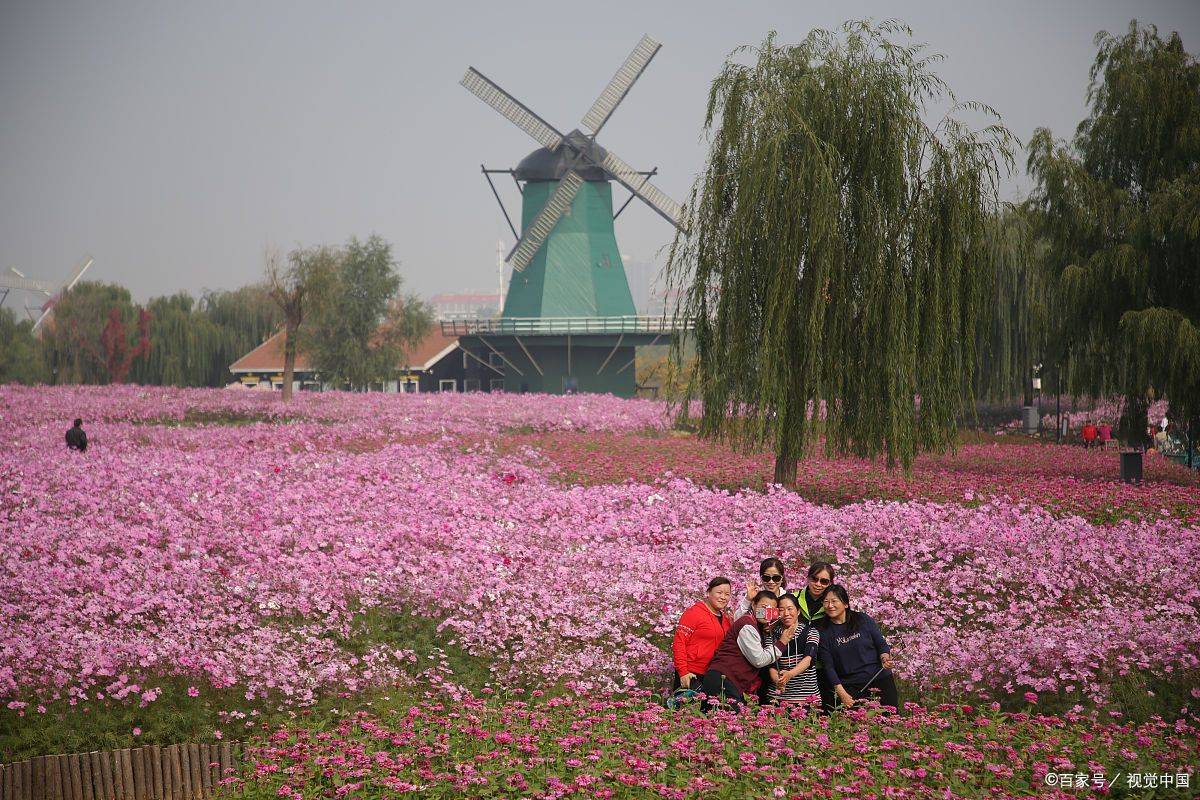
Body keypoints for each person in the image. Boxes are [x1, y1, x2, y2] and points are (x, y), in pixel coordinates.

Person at [702, 591, 792, 710]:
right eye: (764, 607)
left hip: (728, 679)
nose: (766, 612)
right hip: (723, 679)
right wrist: (782, 643)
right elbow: (758, 660)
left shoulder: (754, 623)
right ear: (753, 605)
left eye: (771, 609)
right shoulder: (747, 626)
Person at [818, 584, 899, 712]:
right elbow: (828, 667)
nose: (830, 605)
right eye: (826, 602)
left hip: (879, 679)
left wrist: (885, 658)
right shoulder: (823, 632)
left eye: (834, 601)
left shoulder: (862, 619)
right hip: (851, 686)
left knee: (889, 718)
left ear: (845, 604)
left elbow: (881, 644)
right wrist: (842, 694)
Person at [672, 577, 733, 691]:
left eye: (727, 594)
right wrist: (683, 671)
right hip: (691, 673)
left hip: (712, 674)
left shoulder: (725, 619)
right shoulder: (694, 613)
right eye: (719, 592)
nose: (723, 597)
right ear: (708, 592)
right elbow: (679, 643)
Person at [767, 594, 821, 707]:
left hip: (806, 698)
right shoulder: (772, 634)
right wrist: (778, 681)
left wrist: (790, 674)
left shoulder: (811, 632)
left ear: (798, 611)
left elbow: (808, 659)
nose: (786, 613)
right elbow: (771, 664)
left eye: (790, 609)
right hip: (778, 699)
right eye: (781, 610)